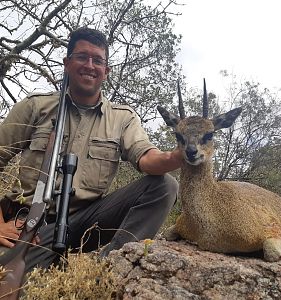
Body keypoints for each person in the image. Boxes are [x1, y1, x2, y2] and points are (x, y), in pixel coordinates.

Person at [0, 27, 183, 272]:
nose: (90, 65)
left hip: (83, 225)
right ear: (67, 63)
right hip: (26, 224)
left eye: (97, 60)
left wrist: (178, 156)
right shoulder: (35, 107)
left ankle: (110, 271)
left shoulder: (122, 118)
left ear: (106, 71)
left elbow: (148, 158)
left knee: (164, 186)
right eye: (81, 57)